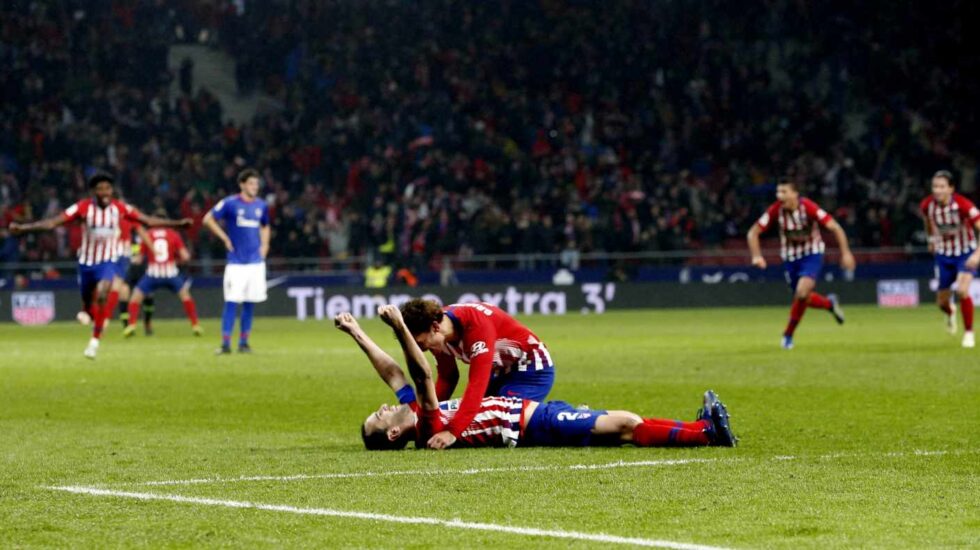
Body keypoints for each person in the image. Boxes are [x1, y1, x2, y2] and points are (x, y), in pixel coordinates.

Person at [336, 307, 737, 450]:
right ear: (393, 435)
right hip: (525, 423)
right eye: (379, 416)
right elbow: (422, 374)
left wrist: (356, 332)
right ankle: (706, 433)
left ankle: (704, 429)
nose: (383, 407)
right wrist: (402, 330)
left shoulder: (414, 410)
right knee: (624, 425)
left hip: (523, 409)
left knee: (622, 425)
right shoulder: (426, 427)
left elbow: (392, 372)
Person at [9, 174, 189, 358]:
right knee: (89, 302)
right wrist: (24, 229)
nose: (105, 192)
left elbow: (148, 221)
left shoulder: (120, 208)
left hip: (108, 260)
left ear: (112, 191)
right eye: (100, 188)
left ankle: (95, 341)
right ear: (94, 191)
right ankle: (89, 312)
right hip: (86, 263)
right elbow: (53, 223)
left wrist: (178, 224)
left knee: (104, 290)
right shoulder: (83, 207)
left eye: (108, 188)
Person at [398, 298, 556, 449]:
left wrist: (451, 432)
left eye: (419, 343)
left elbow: (477, 384)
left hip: (531, 370)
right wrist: (426, 419)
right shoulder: (438, 333)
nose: (419, 350)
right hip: (499, 371)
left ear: (435, 327)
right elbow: (448, 377)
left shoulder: (477, 327)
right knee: (477, 419)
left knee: (505, 423)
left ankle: (569, 415)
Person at [746, 178, 856, 349]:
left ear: (795, 194)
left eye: (784, 192)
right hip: (790, 258)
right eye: (778, 192)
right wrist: (756, 256)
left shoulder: (809, 207)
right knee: (803, 297)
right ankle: (829, 304)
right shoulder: (776, 210)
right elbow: (753, 232)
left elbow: (835, 227)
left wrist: (846, 252)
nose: (779, 196)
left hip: (812, 254)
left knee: (802, 292)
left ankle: (787, 335)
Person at [202, 168, 270, 354]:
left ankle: (243, 343)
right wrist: (224, 238)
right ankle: (225, 343)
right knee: (231, 301)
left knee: (250, 303)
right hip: (236, 263)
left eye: (256, 184)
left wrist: (265, 245)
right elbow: (207, 219)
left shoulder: (261, 205)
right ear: (242, 185)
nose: (255, 187)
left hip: (255, 263)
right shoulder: (230, 203)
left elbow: (265, 226)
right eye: (251, 183)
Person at [919, 170, 980, 348]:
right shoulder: (927, 205)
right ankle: (950, 310)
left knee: (962, 291)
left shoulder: (963, 205)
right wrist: (930, 240)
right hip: (943, 254)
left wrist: (977, 254)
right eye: (935, 186)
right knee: (941, 302)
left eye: (942, 186)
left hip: (965, 253)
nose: (937, 190)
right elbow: (927, 222)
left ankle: (969, 333)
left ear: (951, 188)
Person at [123, 227, 202, 337]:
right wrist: (180, 258)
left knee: (135, 297)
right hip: (170, 273)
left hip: (152, 274)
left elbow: (139, 259)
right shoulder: (173, 234)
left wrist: (129, 258)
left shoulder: (148, 234)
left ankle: (131, 325)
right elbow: (185, 256)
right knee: (186, 297)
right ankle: (195, 325)